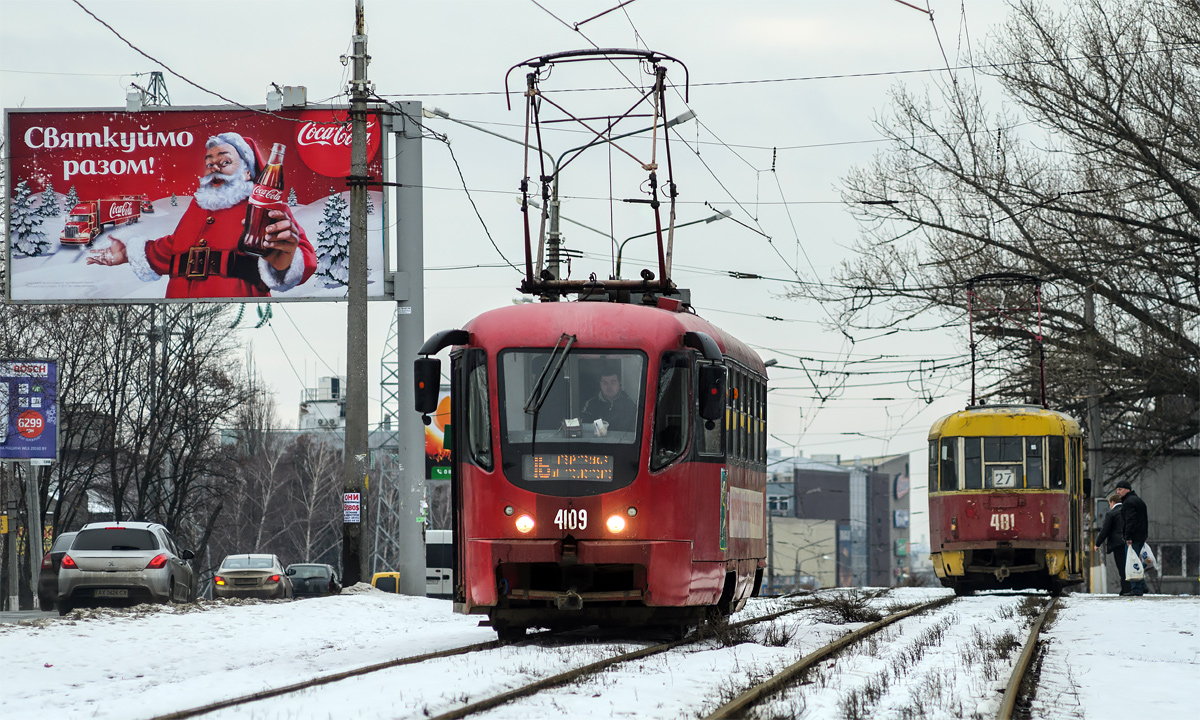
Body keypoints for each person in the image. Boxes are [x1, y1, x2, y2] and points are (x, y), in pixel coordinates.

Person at [87, 132, 317, 298]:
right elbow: (172, 249)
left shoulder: (265, 205)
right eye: (210, 164)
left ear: (247, 172)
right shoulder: (198, 208)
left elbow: (303, 257)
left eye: (225, 162)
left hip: (233, 317)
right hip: (179, 313)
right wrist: (128, 252)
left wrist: (285, 258)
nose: (214, 168)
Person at [1115, 479, 1149, 596]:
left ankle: (1137, 588)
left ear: (1127, 490)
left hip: (1133, 537)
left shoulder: (1129, 503)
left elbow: (1130, 521)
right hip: (1141, 536)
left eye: (1120, 489)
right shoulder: (1138, 500)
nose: (1118, 492)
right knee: (1136, 561)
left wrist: (1128, 536)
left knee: (1131, 562)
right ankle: (1142, 584)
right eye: (1117, 489)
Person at [1094, 492, 1129, 595]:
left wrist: (1098, 543)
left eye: (1110, 504)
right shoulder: (1128, 511)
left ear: (1112, 502)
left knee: (1122, 568)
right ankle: (1131, 588)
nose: (1109, 506)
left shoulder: (1111, 514)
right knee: (1130, 565)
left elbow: (1105, 530)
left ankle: (1126, 589)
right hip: (1129, 543)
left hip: (1118, 544)